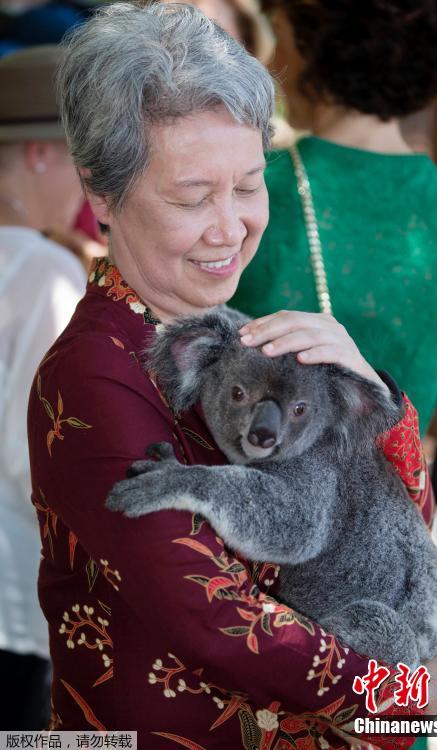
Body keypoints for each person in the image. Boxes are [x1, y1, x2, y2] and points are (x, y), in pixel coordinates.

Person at [27, 4, 437, 746]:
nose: (230, 228)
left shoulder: (246, 338)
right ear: (100, 193)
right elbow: (217, 626)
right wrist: (422, 695)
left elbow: (381, 527)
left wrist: (367, 398)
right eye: (193, 196)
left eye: (249, 186)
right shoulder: (96, 376)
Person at [231, 0, 437, 459]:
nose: (269, 59)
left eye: (278, 34)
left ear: (314, 44)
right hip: (390, 508)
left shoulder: (248, 184)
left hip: (242, 501)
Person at [0, 45, 86, 729]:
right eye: (80, 159)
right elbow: (40, 456)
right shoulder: (42, 273)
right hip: (9, 601)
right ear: (38, 155)